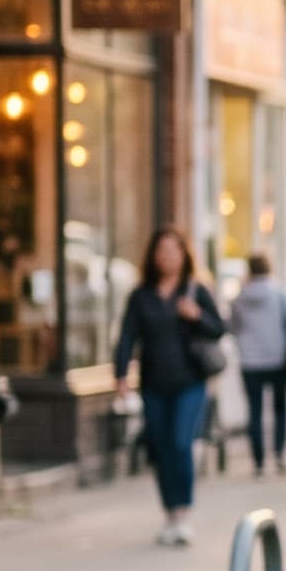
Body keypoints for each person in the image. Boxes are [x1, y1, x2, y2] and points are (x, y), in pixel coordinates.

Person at [115, 227, 228, 546]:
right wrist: (121, 374)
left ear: (183, 255)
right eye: (161, 251)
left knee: (180, 442)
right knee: (161, 448)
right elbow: (127, 336)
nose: (166, 257)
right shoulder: (141, 296)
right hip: (153, 383)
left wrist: (196, 316)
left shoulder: (195, 290)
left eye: (172, 250)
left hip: (190, 381)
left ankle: (184, 512)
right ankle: (169, 513)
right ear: (153, 256)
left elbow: (219, 328)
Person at [230, 253, 286, 478]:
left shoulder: (239, 298)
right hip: (277, 358)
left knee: (255, 411)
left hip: (250, 360)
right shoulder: (279, 293)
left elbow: (233, 327)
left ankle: (259, 461)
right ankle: (279, 454)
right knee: (280, 409)